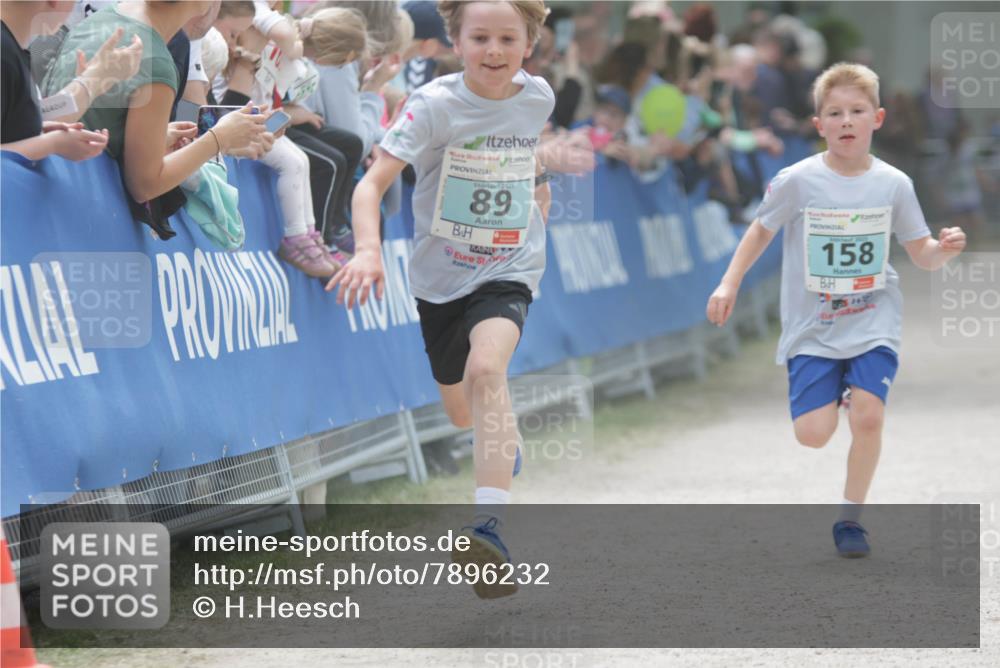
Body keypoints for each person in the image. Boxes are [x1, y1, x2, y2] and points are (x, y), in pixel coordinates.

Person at [326, 0, 553, 599]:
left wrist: (537, 202)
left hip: (508, 269)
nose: (495, 52)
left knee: (488, 368)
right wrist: (369, 251)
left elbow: (526, 154)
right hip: (439, 281)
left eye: (508, 39)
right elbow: (370, 185)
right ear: (456, 40)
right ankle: (502, 441)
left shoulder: (538, 96)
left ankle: (489, 529)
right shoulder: (432, 106)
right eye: (480, 38)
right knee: (463, 412)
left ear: (529, 42)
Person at [706, 63, 967, 558]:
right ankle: (841, 394)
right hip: (814, 325)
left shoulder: (894, 184)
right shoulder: (798, 181)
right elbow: (760, 230)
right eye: (834, 113)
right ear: (818, 124)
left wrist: (943, 249)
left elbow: (921, 253)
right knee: (813, 435)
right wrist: (728, 282)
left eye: (856, 111)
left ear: (878, 118)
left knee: (869, 419)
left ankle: (851, 521)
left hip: (873, 317)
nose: (846, 120)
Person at [42, 0, 266, 240]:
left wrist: (160, 134)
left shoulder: (107, 17)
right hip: (77, 218)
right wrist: (218, 138)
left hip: (51, 189)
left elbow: (91, 116)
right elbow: (145, 184)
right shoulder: (156, 61)